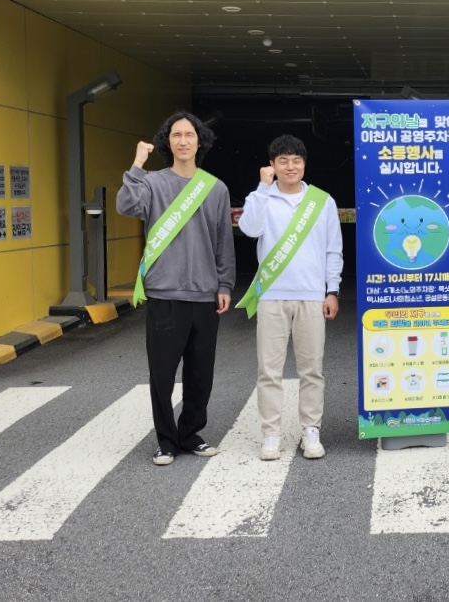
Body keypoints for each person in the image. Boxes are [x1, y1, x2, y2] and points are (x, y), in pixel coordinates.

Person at [117, 110, 235, 466]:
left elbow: (222, 241)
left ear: (200, 141)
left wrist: (225, 283)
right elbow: (126, 206)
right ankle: (166, 440)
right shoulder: (152, 183)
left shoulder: (215, 188)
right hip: (164, 294)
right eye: (176, 135)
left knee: (201, 373)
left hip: (204, 294)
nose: (183, 141)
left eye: (189, 134)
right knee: (163, 373)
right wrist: (137, 164)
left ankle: (191, 434)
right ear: (168, 142)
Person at [237, 134, 343, 462]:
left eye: (296, 160)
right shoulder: (262, 198)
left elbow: (332, 248)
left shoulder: (322, 201)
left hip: (312, 297)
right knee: (269, 371)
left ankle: (311, 431)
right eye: (282, 160)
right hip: (271, 296)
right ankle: (271, 434)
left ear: (304, 164)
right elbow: (249, 230)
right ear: (272, 165)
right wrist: (261, 188)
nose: (290, 166)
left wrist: (332, 290)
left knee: (312, 370)